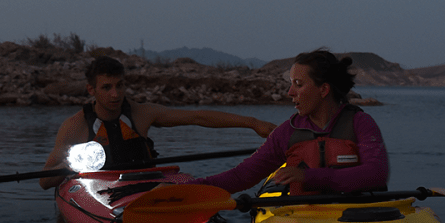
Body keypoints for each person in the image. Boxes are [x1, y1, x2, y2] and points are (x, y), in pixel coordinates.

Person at [39, 56, 277, 189]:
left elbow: (197, 117)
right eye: (107, 87)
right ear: (91, 89)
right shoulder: (75, 126)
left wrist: (253, 123)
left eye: (120, 85)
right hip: (100, 192)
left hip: (148, 186)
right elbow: (44, 181)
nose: (115, 94)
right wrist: (70, 165)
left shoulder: (142, 114)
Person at [190, 48, 389, 195]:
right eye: (290, 84)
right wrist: (187, 189)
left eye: (298, 84)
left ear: (323, 90)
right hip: (303, 221)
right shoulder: (287, 132)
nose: (290, 93)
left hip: (356, 218)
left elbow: (376, 173)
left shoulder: (360, 123)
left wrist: (308, 177)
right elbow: (241, 177)